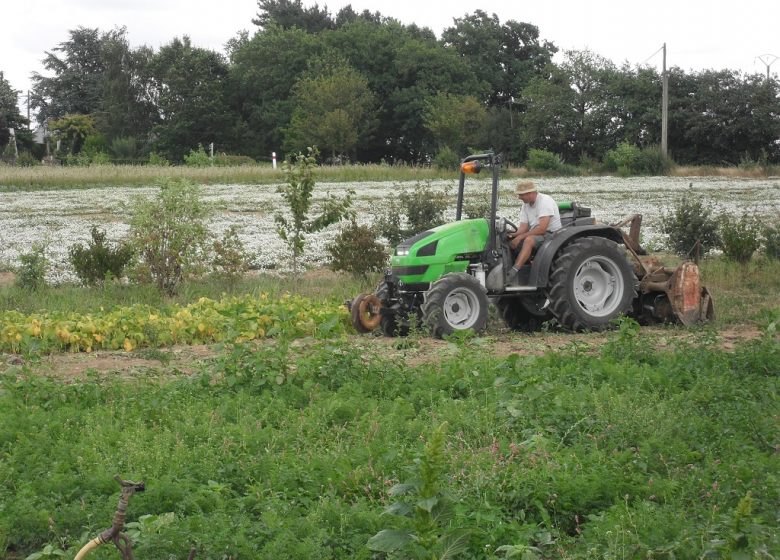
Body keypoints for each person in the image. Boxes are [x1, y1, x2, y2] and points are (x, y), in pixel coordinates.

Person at [506, 181, 562, 281]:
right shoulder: (525, 206)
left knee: (529, 240)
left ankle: (513, 272)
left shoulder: (545, 201)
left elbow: (542, 229)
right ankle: (525, 269)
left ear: (530, 193)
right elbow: (523, 228)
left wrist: (520, 237)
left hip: (552, 235)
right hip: (537, 233)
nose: (519, 197)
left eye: (521, 195)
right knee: (509, 241)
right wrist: (511, 235)